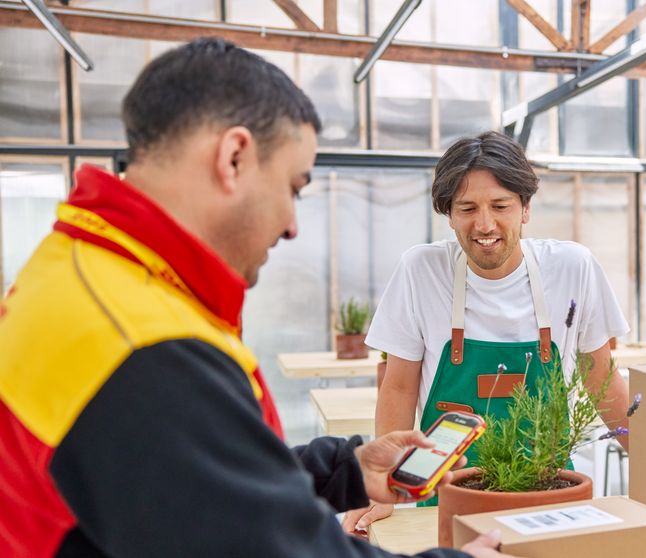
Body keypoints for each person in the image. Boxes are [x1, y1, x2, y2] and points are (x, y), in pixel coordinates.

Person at [0, 38, 510, 558]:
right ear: (234, 157)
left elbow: (189, 485)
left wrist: (342, 470)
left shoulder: (82, 271)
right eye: (292, 186)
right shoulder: (144, 346)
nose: (292, 225)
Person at [344, 131, 631, 532]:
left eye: (500, 206)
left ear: (525, 208)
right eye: (466, 208)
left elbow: (600, 374)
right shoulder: (420, 270)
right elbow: (398, 388)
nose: (484, 224)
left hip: (548, 491)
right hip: (444, 489)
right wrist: (382, 491)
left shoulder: (572, 267)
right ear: (448, 213)